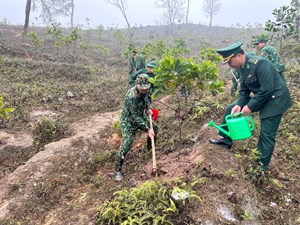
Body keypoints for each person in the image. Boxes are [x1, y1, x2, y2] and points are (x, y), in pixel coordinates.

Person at [209, 42, 292, 171]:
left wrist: (250, 107)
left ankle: (260, 167)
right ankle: (226, 139)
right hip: (263, 96)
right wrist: (239, 104)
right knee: (231, 108)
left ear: (237, 56)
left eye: (229, 62)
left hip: (275, 99)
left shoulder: (260, 64)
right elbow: (244, 91)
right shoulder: (242, 68)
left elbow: (267, 89)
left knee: (266, 135)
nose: (230, 66)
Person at [114, 74, 158, 181]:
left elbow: (147, 100)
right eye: (142, 88)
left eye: (146, 88)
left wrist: (148, 109)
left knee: (155, 128)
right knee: (127, 144)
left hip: (140, 116)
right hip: (129, 121)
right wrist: (147, 130)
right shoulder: (131, 96)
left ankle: (149, 149)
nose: (144, 90)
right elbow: (136, 117)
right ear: (136, 84)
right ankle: (117, 171)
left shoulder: (147, 90)